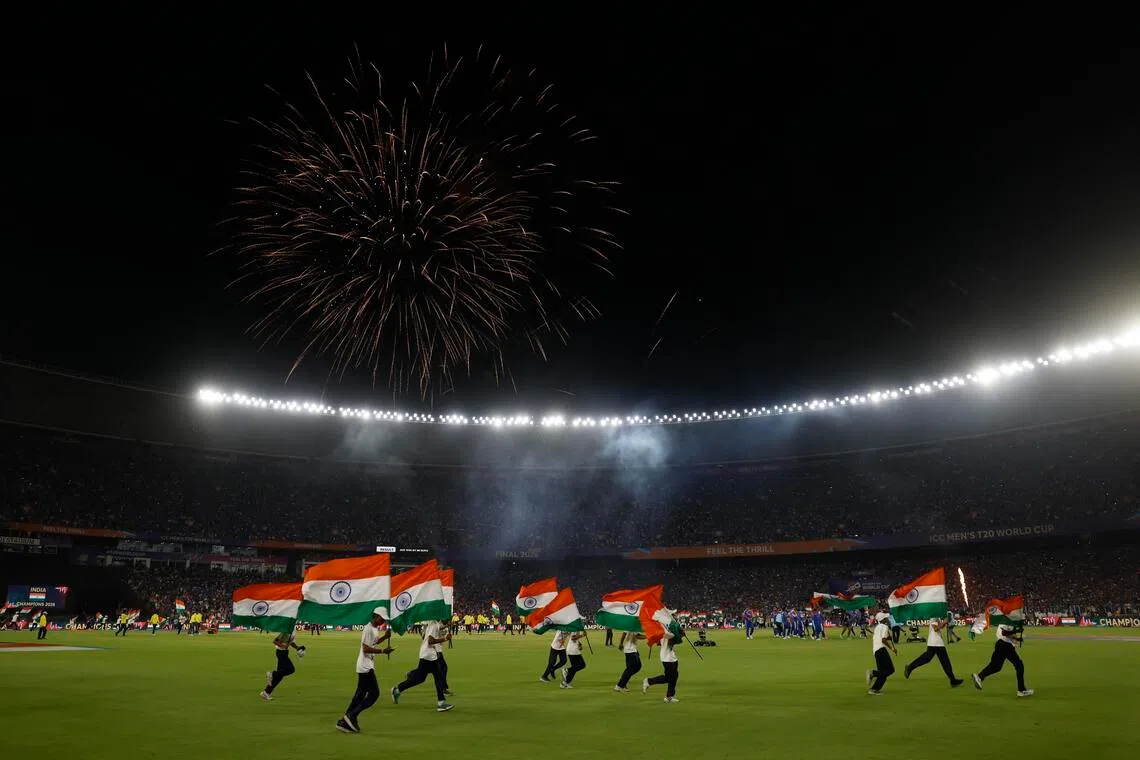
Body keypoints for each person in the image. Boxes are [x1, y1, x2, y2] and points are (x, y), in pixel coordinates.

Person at [337, 608, 393, 734]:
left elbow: (373, 642)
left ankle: (344, 721)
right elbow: (365, 648)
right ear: (376, 616)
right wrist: (383, 651)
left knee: (359, 695)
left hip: (365, 665)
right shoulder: (368, 629)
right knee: (374, 694)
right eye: (382, 618)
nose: (383, 621)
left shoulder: (375, 628)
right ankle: (352, 715)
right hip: (365, 667)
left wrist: (384, 637)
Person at [391, 619, 454, 712]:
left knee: (421, 678)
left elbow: (436, 631)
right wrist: (445, 638)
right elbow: (430, 641)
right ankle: (441, 703)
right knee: (437, 677)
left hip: (428, 654)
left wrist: (447, 626)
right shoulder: (434, 625)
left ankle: (398, 689)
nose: (447, 618)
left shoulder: (435, 623)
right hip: (428, 655)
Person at [972, 623, 1033, 697]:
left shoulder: (1004, 621)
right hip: (1006, 646)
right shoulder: (1008, 621)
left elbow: (1006, 634)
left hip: (1001, 644)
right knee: (1019, 666)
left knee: (996, 667)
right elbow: (1005, 633)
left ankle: (979, 676)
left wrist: (1016, 638)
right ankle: (1021, 690)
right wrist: (1017, 632)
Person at [904, 617, 964, 687]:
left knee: (938, 660)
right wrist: (944, 622)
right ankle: (909, 667)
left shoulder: (936, 617)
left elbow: (940, 627)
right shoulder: (934, 618)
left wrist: (945, 622)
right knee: (943, 661)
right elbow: (935, 629)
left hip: (936, 642)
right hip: (935, 642)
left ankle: (953, 680)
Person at [642, 618, 683, 703]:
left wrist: (680, 632)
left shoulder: (670, 625)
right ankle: (649, 681)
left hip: (672, 656)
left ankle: (669, 696)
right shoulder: (661, 627)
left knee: (674, 676)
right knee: (669, 678)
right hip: (666, 657)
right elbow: (668, 636)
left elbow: (674, 639)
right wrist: (677, 634)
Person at [261, 627, 306, 700]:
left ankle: (266, 692)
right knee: (291, 669)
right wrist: (283, 646)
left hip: (284, 652)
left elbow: (291, 642)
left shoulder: (293, 630)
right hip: (281, 653)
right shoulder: (286, 630)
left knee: (279, 676)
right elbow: (275, 641)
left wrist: (298, 648)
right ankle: (272, 674)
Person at [866, 612, 897, 695]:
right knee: (890, 670)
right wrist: (892, 648)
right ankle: (873, 673)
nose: (887, 619)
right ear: (883, 619)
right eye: (886, 618)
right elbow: (883, 640)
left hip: (876, 650)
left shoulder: (878, 627)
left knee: (883, 673)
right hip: (881, 650)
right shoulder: (884, 626)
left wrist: (888, 637)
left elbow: (881, 637)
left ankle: (874, 689)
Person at [433, 618, 454, 696]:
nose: (448, 620)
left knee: (428, 668)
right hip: (435, 649)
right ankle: (443, 689)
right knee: (443, 667)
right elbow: (438, 628)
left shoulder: (446, 628)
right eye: (446, 619)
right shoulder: (437, 624)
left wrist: (448, 637)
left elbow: (444, 638)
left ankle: (412, 674)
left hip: (438, 648)